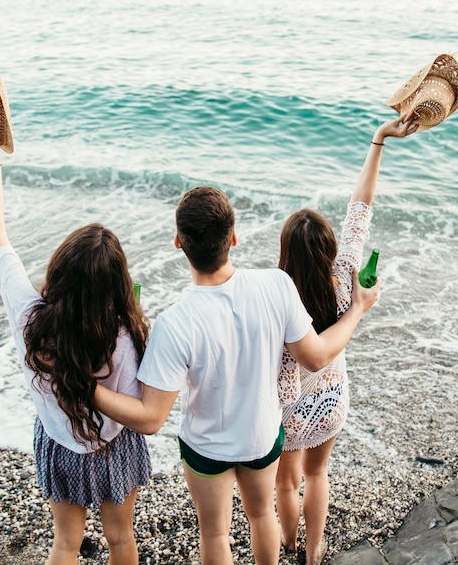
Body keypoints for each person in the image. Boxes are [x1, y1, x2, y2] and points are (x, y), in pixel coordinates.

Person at [93, 185, 381, 565]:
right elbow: (315, 357)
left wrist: (86, 389)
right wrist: (356, 309)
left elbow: (150, 419)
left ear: (179, 242)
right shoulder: (277, 286)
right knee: (262, 515)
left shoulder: (173, 323)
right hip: (262, 436)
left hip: (207, 447)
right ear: (233, 237)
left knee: (215, 533)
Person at [0, 127, 152, 565]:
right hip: (112, 448)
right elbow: (137, 403)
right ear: (116, 285)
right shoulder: (124, 333)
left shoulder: (28, 316)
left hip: (58, 443)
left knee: (65, 543)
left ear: (59, 270)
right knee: (121, 540)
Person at [275, 116, 418, 565]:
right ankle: (314, 555)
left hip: (286, 403)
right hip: (332, 396)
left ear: (285, 253)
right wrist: (379, 139)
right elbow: (362, 205)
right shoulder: (344, 274)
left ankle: (290, 543)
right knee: (318, 475)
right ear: (330, 247)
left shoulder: (277, 290)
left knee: (285, 481)